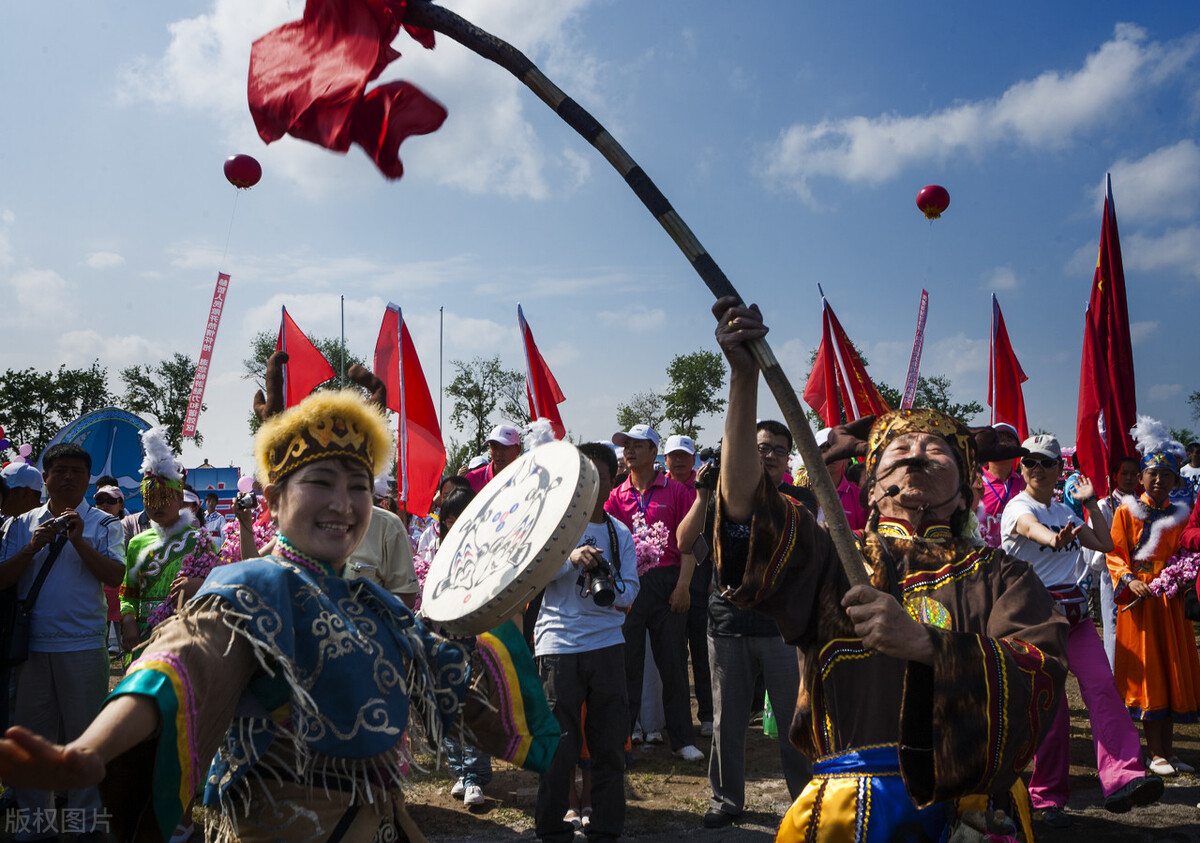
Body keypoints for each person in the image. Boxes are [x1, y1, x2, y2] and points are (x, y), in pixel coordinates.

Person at [0, 388, 559, 842]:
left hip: (382, 820)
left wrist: (499, 585)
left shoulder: (376, 604)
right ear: (272, 500)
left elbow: (453, 667)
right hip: (279, 827)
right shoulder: (250, 586)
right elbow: (178, 668)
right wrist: (89, 751)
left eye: (359, 486)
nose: (343, 503)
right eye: (320, 482)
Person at [710, 297, 1067, 842]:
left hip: (968, 811)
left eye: (936, 450)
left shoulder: (1002, 574)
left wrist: (927, 645)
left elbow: (1039, 671)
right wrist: (743, 381)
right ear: (872, 488)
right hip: (848, 810)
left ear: (968, 487)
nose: (916, 452)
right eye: (897, 448)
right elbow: (743, 512)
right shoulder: (832, 554)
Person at [1000, 435, 1161, 827]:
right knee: (1051, 711)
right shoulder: (1017, 507)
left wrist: (1090, 504)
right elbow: (1029, 528)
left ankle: (1124, 777)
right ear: (1021, 469)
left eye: (1046, 462)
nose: (1037, 468)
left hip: (1075, 617)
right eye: (1030, 462)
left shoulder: (1064, 511)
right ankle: (1046, 798)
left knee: (1104, 689)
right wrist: (1052, 538)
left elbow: (1105, 542)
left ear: (1059, 470)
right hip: (1036, 620)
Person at [678, 420, 812, 829]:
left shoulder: (800, 499)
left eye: (777, 449)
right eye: (760, 448)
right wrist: (703, 494)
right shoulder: (720, 497)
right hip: (727, 625)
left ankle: (806, 803)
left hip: (781, 630)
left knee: (795, 722)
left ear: (787, 459)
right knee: (727, 720)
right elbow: (685, 543)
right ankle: (726, 799)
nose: (768, 455)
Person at [0, 442, 125, 841]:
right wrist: (32, 547)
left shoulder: (104, 525)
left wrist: (78, 541)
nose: (69, 477)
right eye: (60, 470)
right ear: (46, 477)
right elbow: (3, 578)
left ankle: (86, 819)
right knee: (31, 735)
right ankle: (35, 820)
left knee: (85, 735)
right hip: (32, 647)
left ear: (88, 478)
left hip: (84, 646)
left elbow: (115, 576)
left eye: (77, 470)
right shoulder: (19, 525)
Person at [534, 443, 640, 843]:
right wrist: (571, 558)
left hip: (606, 644)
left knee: (609, 743)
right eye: (585, 477)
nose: (592, 485)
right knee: (559, 745)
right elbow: (533, 575)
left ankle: (607, 827)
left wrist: (609, 585)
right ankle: (550, 827)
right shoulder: (555, 527)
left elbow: (632, 590)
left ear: (613, 481)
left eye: (599, 477)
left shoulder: (621, 533)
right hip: (558, 644)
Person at [1106, 417, 1200, 777]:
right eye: (1152, 474)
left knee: (1171, 667)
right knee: (1149, 673)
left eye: (1166, 475)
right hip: (1141, 602)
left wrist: (1182, 577)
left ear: (1176, 480)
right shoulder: (1125, 511)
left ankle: (1170, 751)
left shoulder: (1180, 516)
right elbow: (1114, 553)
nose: (1159, 480)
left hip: (1170, 602)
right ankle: (1153, 752)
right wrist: (1129, 579)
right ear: (1141, 477)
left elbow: (1185, 555)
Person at [605, 424, 704, 762]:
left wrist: (683, 586)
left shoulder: (676, 492)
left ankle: (682, 740)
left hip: (668, 583)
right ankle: (623, 739)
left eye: (636, 446)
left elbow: (690, 543)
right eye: (626, 446)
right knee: (626, 665)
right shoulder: (616, 497)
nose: (628, 452)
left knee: (673, 664)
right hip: (631, 586)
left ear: (653, 451)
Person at [119, 427, 222, 655]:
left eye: (164, 498)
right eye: (150, 499)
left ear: (178, 498)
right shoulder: (137, 543)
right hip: (144, 636)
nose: (157, 506)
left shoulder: (200, 541)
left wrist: (199, 585)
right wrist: (128, 621)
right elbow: (128, 593)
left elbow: (220, 586)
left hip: (186, 633)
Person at [1085, 456, 1141, 668]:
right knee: (1113, 625)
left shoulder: (1142, 504)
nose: (1128, 478)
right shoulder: (1105, 504)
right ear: (1114, 476)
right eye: (1123, 473)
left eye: (1133, 474)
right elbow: (1095, 547)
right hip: (1113, 574)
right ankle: (1115, 674)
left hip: (1140, 575)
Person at [979, 423, 1025, 547]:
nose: (1003, 443)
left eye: (1009, 439)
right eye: (998, 438)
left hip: (1016, 558)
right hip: (982, 558)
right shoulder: (975, 481)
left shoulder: (1026, 484)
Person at [465, 424, 523, 492]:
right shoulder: (473, 479)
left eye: (505, 447)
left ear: (518, 449)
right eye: (494, 447)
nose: (498, 453)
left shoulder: (528, 476)